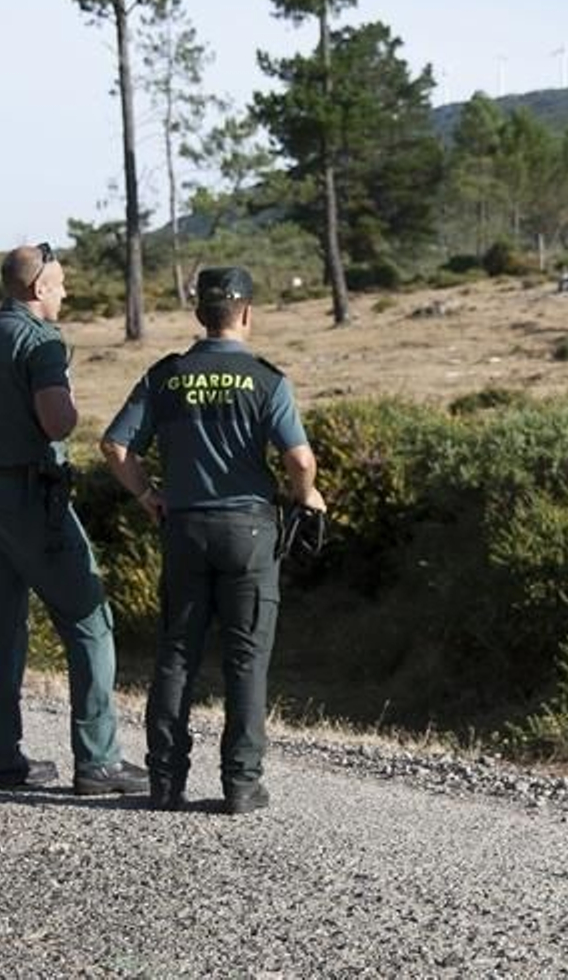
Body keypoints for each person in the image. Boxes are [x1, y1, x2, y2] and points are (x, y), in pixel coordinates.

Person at [100, 266, 326, 815]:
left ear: (200, 313)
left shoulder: (166, 376)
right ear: (246, 313)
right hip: (249, 532)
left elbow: (115, 446)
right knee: (246, 659)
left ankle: (165, 782)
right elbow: (299, 459)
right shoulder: (267, 379)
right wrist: (308, 496)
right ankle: (241, 785)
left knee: (177, 654)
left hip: (184, 529)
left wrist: (147, 494)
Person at [0, 243, 147, 795]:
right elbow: (57, 424)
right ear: (38, 287)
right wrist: (59, 400)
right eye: (61, 283)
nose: (66, 292)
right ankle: (99, 761)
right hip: (31, 495)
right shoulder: (41, 340)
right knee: (89, 620)